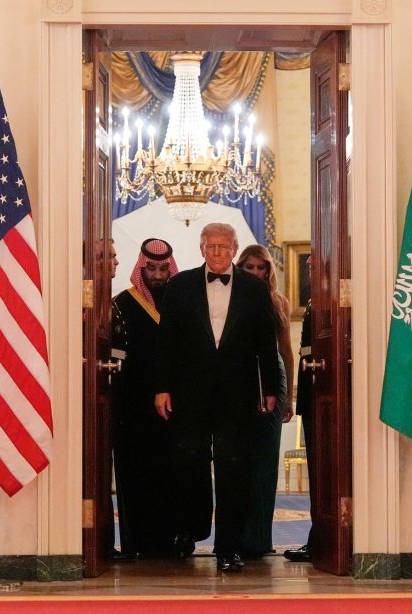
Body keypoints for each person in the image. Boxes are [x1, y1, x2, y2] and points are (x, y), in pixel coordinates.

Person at [154, 222, 280, 573]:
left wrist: (270, 389)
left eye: (224, 246)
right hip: (189, 393)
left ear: (235, 249)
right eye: (211, 246)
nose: (217, 252)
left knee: (234, 470)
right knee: (189, 464)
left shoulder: (254, 288)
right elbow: (166, 342)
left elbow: (265, 342)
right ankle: (189, 532)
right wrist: (162, 388)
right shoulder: (180, 285)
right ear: (201, 249)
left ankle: (229, 547)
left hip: (237, 395)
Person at [111, 238, 179, 558]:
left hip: (175, 409)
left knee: (172, 476)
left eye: (163, 269)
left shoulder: (182, 302)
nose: (157, 275)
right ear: (141, 268)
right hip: (134, 408)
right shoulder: (122, 304)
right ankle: (136, 544)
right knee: (136, 475)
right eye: (150, 269)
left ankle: (172, 542)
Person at [236, 245, 294, 558]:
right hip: (238, 377)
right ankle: (234, 537)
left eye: (262, 267)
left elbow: (286, 350)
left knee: (265, 458)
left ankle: (258, 539)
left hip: (273, 377)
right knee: (238, 456)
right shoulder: (229, 295)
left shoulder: (277, 301)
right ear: (240, 267)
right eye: (250, 267)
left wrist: (289, 397)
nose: (256, 273)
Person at [284, 254, 315, 562]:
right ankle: (318, 538)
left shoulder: (336, 302)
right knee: (319, 475)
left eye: (314, 262)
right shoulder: (314, 302)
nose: (309, 266)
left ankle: (323, 539)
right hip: (314, 398)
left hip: (329, 398)